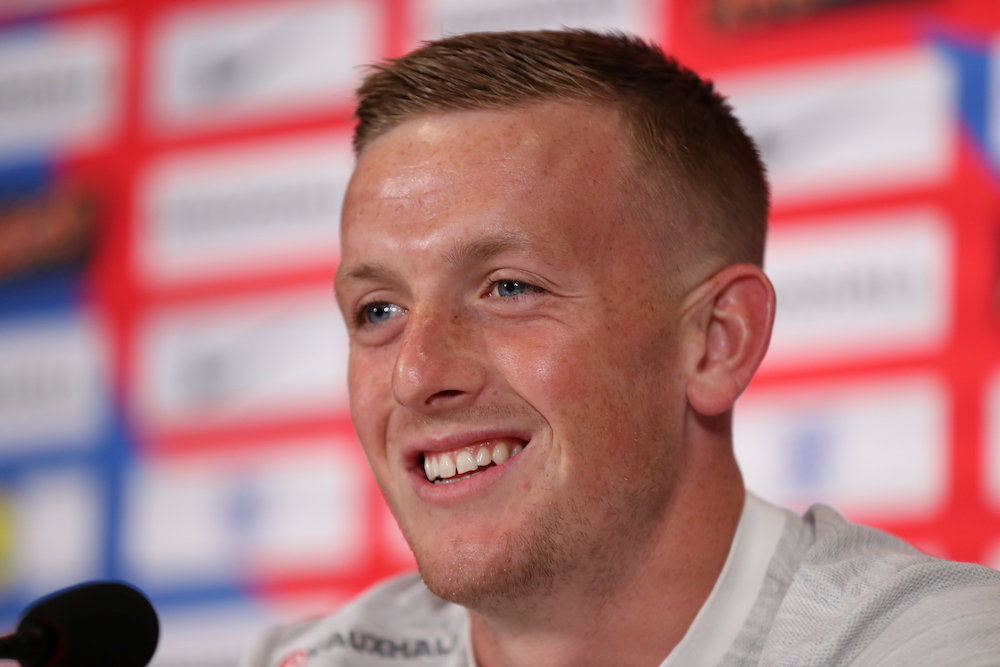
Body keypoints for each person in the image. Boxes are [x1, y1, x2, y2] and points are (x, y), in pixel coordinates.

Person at [241, 30, 1000, 666]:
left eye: (508, 288)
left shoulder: (933, 644)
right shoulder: (308, 658)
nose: (416, 375)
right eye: (378, 309)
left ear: (715, 341)